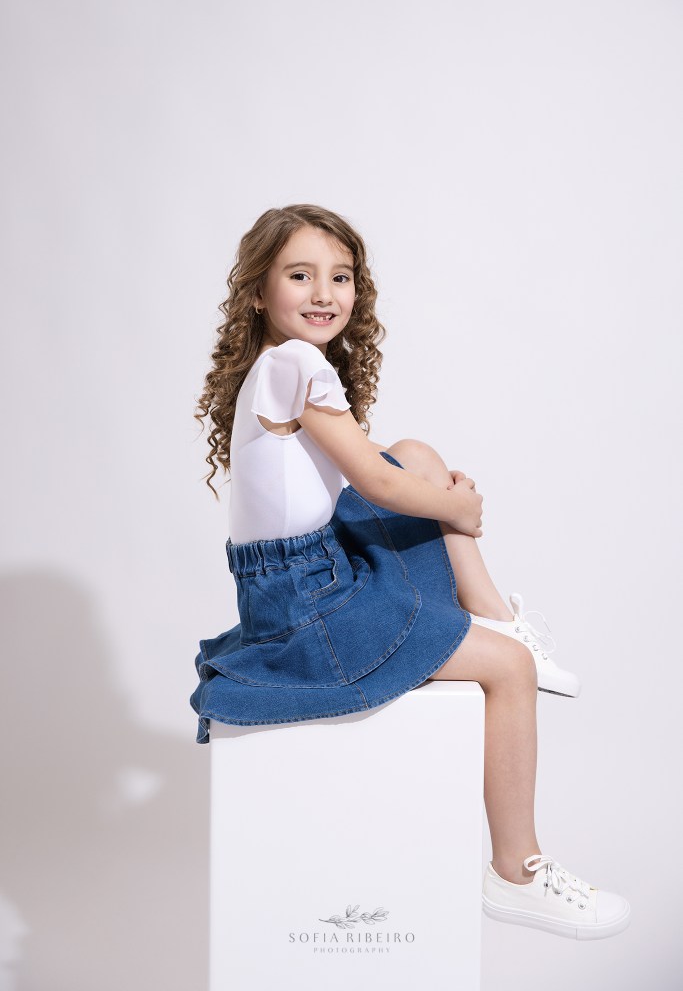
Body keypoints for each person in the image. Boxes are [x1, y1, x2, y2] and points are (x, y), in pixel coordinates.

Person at [189, 203, 630, 941]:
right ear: (259, 292)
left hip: (308, 573)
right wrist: (458, 511)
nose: (324, 293)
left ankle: (492, 614)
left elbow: (390, 473)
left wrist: (434, 490)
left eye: (341, 276)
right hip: (309, 605)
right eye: (300, 275)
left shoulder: (283, 364)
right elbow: (380, 484)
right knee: (510, 670)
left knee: (418, 452)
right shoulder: (294, 363)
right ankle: (515, 871)